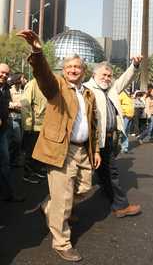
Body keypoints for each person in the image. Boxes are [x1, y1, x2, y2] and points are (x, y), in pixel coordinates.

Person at [17, 30, 101, 262]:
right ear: (63, 70)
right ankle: (61, 242)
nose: (74, 70)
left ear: (84, 71)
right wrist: (37, 52)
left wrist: (94, 151)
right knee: (63, 201)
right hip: (62, 150)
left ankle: (49, 205)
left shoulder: (88, 93)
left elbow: (93, 125)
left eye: (78, 67)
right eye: (69, 67)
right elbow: (42, 75)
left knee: (84, 189)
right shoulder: (56, 87)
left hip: (83, 149)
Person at [84, 58, 142, 218]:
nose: (107, 78)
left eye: (109, 76)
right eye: (104, 75)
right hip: (90, 142)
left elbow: (125, 78)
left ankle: (120, 206)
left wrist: (134, 66)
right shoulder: (86, 89)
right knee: (79, 178)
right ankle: (57, 208)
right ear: (94, 74)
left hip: (108, 140)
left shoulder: (111, 89)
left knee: (110, 172)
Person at [0, 64, 24, 202]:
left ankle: (8, 193)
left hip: (3, 130)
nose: (4, 75)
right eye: (2, 72)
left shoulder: (5, 88)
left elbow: (6, 104)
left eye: (6, 73)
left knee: (5, 162)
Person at [21, 78, 47, 184]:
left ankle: (36, 170)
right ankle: (27, 174)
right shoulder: (32, 84)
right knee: (30, 151)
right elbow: (25, 105)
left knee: (39, 151)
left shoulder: (45, 82)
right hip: (34, 126)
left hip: (44, 125)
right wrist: (28, 126)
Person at [119, 86, 134, 153]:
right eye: (128, 85)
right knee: (123, 132)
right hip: (124, 116)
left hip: (130, 116)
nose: (129, 87)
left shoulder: (129, 95)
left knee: (126, 132)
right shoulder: (122, 93)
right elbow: (118, 103)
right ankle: (123, 147)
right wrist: (122, 113)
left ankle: (125, 147)